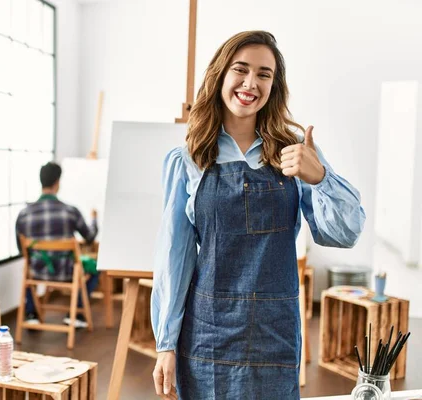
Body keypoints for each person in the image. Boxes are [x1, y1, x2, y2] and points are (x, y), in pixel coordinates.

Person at [151, 31, 365, 399]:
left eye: (264, 74)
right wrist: (165, 343)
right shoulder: (189, 158)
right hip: (208, 333)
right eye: (241, 69)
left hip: (274, 332)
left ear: (274, 85)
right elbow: (175, 256)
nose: (251, 83)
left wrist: (322, 177)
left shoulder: (297, 152)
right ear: (220, 74)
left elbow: (345, 233)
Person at [15, 161, 99, 328]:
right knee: (97, 267)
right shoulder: (70, 211)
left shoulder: (24, 214)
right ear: (57, 183)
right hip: (65, 272)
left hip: (36, 272)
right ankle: (76, 312)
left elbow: (21, 249)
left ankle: (31, 313)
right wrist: (94, 219)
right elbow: (89, 237)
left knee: (27, 266)